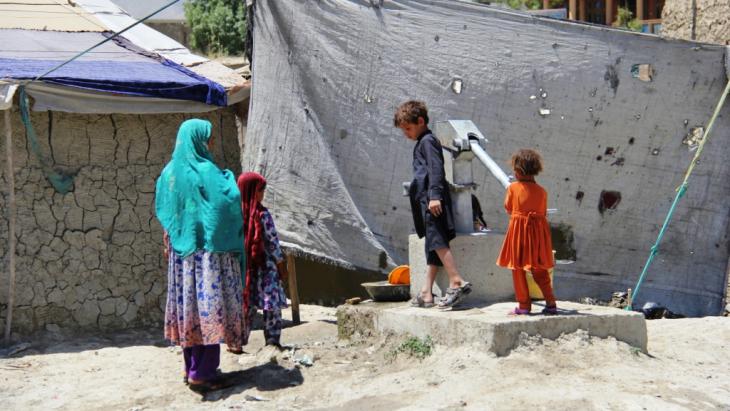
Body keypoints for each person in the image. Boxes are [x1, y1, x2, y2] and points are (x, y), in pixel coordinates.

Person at [155, 119, 245, 393]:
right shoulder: (208, 172)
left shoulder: (169, 172)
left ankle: (191, 368)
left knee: (190, 311)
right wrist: (229, 178)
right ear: (198, 140)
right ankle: (204, 374)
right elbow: (227, 201)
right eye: (209, 138)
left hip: (182, 259)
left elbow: (165, 210)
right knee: (209, 310)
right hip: (208, 257)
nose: (212, 143)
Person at [394, 100, 472, 309]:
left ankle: (456, 281)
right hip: (427, 200)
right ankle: (426, 292)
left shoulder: (428, 141)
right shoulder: (423, 142)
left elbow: (436, 169)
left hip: (432, 200)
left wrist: (435, 196)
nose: (407, 134)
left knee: (437, 241)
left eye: (408, 128)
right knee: (432, 245)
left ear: (420, 121)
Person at [496, 149, 558, 315]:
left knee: (517, 268)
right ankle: (551, 302)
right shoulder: (542, 191)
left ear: (519, 171)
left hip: (519, 233)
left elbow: (508, 208)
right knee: (539, 269)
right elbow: (543, 212)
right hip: (538, 234)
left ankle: (524, 306)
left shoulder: (513, 188)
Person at [237, 172, 289, 348]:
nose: (263, 193)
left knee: (246, 304)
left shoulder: (234, 215)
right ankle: (272, 341)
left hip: (245, 269)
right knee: (271, 304)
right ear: (252, 191)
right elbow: (273, 243)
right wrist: (281, 265)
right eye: (261, 190)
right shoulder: (262, 214)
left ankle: (238, 341)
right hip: (265, 267)